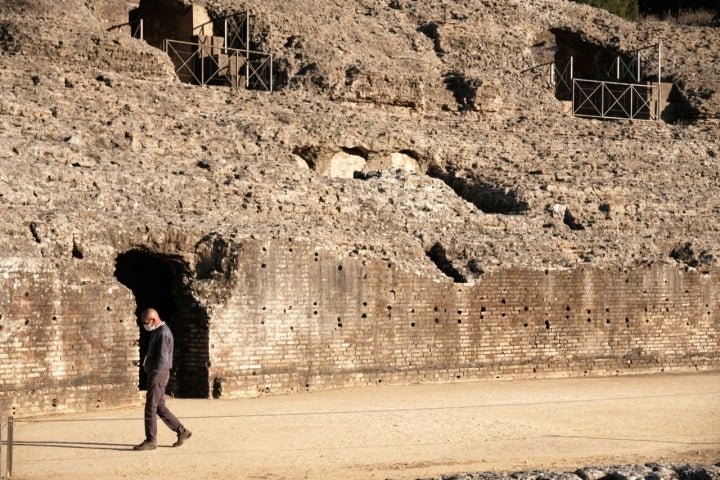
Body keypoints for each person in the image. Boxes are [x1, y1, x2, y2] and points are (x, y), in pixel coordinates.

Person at [133, 308, 192, 450]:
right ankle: (182, 431)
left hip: (158, 374)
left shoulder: (163, 333)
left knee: (150, 407)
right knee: (159, 406)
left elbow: (162, 358)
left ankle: (151, 440)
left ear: (153, 319)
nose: (145, 325)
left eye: (146, 322)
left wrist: (154, 374)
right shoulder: (158, 331)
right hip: (158, 373)